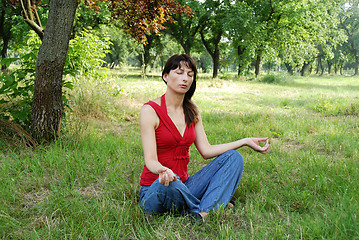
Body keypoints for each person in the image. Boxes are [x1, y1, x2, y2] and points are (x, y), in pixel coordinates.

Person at [138, 54, 270, 223]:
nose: (185, 78)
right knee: (171, 184)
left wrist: (244, 141)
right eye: (179, 73)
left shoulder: (192, 110)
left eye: (190, 75)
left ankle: (201, 213)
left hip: (185, 186)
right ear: (165, 76)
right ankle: (211, 205)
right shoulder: (150, 111)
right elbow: (150, 160)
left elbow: (206, 150)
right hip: (156, 188)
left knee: (234, 157)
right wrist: (162, 171)